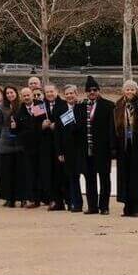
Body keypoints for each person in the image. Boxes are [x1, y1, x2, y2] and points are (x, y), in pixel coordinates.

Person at [74, 75, 116, 215]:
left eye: (94, 89)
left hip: (102, 149)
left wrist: (112, 148)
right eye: (89, 90)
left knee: (104, 178)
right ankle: (92, 206)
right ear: (86, 92)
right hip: (86, 149)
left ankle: (104, 206)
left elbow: (112, 129)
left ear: (98, 90)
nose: (92, 92)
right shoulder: (79, 107)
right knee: (89, 178)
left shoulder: (109, 106)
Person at [0, 87, 31, 208]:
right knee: (7, 173)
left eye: (12, 92)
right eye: (7, 93)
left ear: (16, 93)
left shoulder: (21, 106)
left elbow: (27, 122)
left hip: (20, 143)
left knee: (20, 173)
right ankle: (10, 198)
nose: (10, 95)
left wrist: (17, 125)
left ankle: (23, 198)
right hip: (5, 143)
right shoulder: (2, 107)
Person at [114, 80, 138, 217]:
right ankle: (127, 206)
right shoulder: (118, 105)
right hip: (123, 144)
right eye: (127, 90)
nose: (130, 92)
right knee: (125, 175)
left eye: (132, 90)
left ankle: (137, 207)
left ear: (137, 91)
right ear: (123, 91)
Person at [55, 84, 84, 212]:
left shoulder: (82, 107)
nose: (69, 96)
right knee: (72, 177)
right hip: (68, 149)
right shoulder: (60, 109)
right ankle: (75, 203)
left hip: (82, 148)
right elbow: (58, 133)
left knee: (87, 177)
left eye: (71, 93)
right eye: (66, 94)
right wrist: (60, 151)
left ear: (76, 94)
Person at [40, 84, 68, 210]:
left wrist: (57, 125)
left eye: (52, 91)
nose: (49, 94)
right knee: (48, 172)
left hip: (60, 144)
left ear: (56, 91)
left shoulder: (64, 104)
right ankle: (53, 199)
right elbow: (34, 124)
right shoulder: (40, 106)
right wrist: (42, 125)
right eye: (47, 92)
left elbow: (68, 122)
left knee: (60, 173)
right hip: (46, 145)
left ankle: (63, 199)